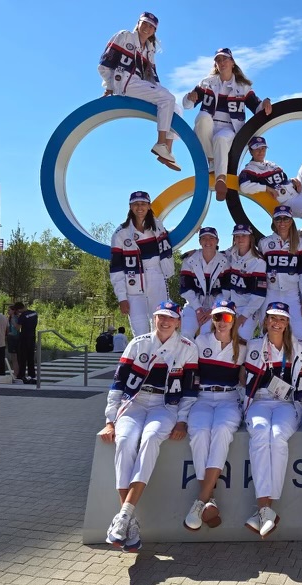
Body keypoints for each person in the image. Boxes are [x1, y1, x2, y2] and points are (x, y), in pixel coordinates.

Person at [99, 301, 199, 552]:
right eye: (160, 317)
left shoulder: (188, 348)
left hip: (165, 406)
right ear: (154, 318)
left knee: (152, 438)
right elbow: (118, 384)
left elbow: (189, 390)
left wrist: (182, 419)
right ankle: (127, 520)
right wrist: (110, 420)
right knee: (124, 441)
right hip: (134, 403)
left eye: (170, 318)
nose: (164, 322)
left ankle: (123, 518)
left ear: (178, 322)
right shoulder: (138, 343)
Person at [241, 302, 302, 538]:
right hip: (259, 401)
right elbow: (244, 379)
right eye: (272, 318)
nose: (277, 323)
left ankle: (266, 509)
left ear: (287, 323)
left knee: (278, 436)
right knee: (260, 433)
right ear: (265, 321)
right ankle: (265, 509)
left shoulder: (298, 348)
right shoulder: (253, 346)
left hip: (286, 404)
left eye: (281, 319)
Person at [183, 300, 245, 531]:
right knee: (199, 432)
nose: (221, 322)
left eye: (227, 318)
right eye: (217, 317)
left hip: (228, 399)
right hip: (203, 397)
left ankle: (201, 501)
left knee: (221, 431)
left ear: (234, 321)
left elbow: (246, 378)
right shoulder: (200, 341)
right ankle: (208, 499)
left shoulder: (243, 347)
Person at [182, 48, 272, 200]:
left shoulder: (242, 87)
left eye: (225, 59)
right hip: (209, 128)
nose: (222, 63)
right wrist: (189, 98)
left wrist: (266, 102)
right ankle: (212, 160)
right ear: (215, 64)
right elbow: (187, 105)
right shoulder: (207, 83)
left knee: (221, 139)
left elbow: (256, 106)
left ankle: (220, 181)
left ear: (232, 62)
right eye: (218, 60)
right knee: (203, 117)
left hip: (230, 128)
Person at [98, 12, 181, 171]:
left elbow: (152, 78)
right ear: (138, 23)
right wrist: (109, 86)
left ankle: (167, 151)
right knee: (167, 99)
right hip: (125, 83)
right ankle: (161, 143)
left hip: (138, 85)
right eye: (145, 23)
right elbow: (104, 63)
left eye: (152, 26)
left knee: (175, 107)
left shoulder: (150, 49)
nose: (147, 28)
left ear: (154, 31)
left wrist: (159, 92)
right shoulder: (124, 36)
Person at [110, 191, 174, 337]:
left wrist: (192, 228)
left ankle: (160, 359)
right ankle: (142, 358)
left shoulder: (157, 226)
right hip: (132, 284)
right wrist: (121, 297)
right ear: (130, 207)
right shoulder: (121, 233)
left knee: (161, 326)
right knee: (140, 331)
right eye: (136, 204)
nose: (140, 207)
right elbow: (116, 269)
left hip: (156, 279)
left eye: (143, 204)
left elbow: (168, 239)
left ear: (149, 206)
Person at [257, 205, 302, 336]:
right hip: (270, 293)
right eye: (278, 219)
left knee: (298, 333)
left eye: (286, 219)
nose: (282, 222)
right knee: (266, 333)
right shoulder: (264, 243)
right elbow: (258, 272)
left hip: (292, 295)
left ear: (291, 221)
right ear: (273, 222)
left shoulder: (300, 243)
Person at [179, 227, 228, 337]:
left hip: (216, 306)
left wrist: (213, 309)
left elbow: (227, 291)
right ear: (199, 241)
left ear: (217, 241)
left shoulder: (225, 262)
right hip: (193, 305)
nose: (207, 241)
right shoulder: (189, 260)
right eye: (204, 238)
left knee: (206, 335)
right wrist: (198, 309)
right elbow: (185, 289)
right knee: (186, 335)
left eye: (211, 238)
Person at [223, 224, 267, 340]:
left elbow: (259, 295)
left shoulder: (258, 262)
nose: (240, 239)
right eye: (237, 236)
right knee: (224, 339)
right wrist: (196, 252)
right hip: (231, 306)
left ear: (250, 238)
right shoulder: (231, 254)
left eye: (244, 236)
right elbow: (215, 254)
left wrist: (243, 316)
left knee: (242, 339)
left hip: (248, 309)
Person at [13, 301, 38, 385]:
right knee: (30, 357)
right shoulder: (34, 313)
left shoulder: (22, 315)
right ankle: (32, 375)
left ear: (18, 310)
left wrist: (14, 320)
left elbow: (17, 328)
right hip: (32, 336)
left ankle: (21, 375)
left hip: (24, 338)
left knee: (22, 358)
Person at [6, 307, 19, 375]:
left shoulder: (14, 318)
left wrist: (9, 333)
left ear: (13, 311)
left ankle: (16, 373)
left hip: (14, 338)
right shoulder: (10, 318)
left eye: (9, 310)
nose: (8, 311)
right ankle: (15, 372)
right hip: (12, 338)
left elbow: (15, 330)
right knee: (13, 357)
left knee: (15, 357)